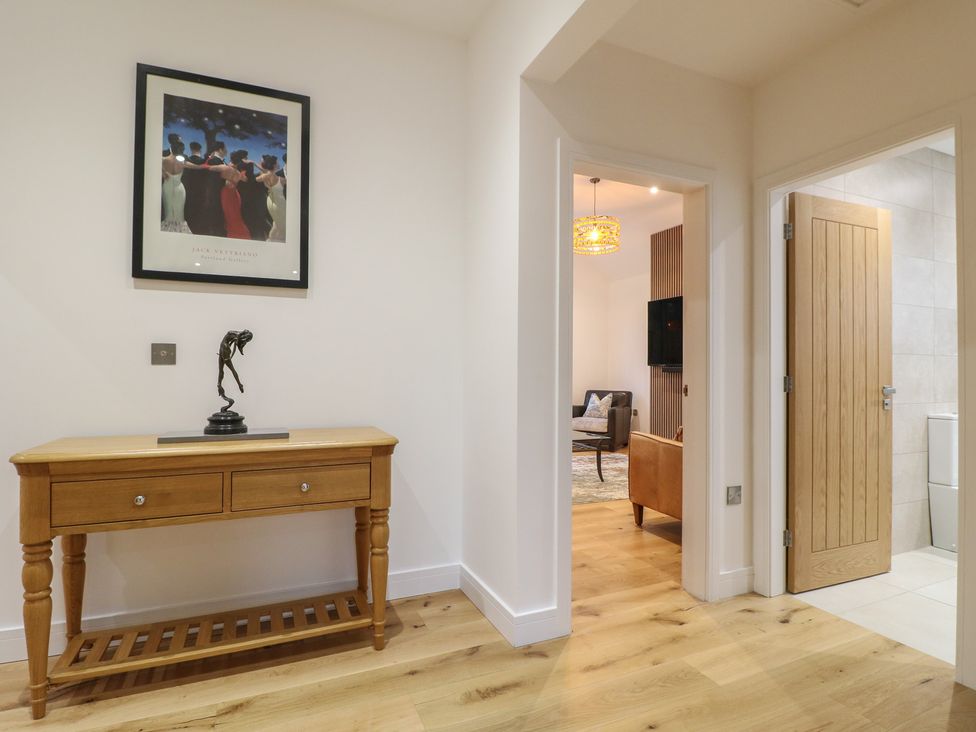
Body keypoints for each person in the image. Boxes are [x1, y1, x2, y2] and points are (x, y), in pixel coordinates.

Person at [203, 149, 251, 239]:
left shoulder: (224, 167)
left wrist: (209, 158)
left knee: (229, 217)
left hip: (226, 195)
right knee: (235, 216)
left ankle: (233, 235)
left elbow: (207, 167)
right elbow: (245, 179)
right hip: (235, 196)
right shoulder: (238, 172)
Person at [161, 134, 192, 233]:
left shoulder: (183, 157)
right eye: (180, 140)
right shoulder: (164, 154)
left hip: (179, 187)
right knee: (168, 210)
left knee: (179, 212)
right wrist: (163, 172)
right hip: (167, 186)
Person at [257, 154, 286, 241]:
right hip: (279, 202)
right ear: (273, 165)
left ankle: (272, 239)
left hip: (270, 201)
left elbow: (257, 179)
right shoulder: (279, 178)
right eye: (277, 163)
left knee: (277, 223)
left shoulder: (265, 176)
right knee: (282, 225)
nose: (278, 164)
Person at [182, 141, 207, 234]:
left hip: (187, 189)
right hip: (199, 191)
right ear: (200, 149)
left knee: (187, 210)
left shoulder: (186, 160)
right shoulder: (203, 162)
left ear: (191, 149)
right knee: (197, 212)